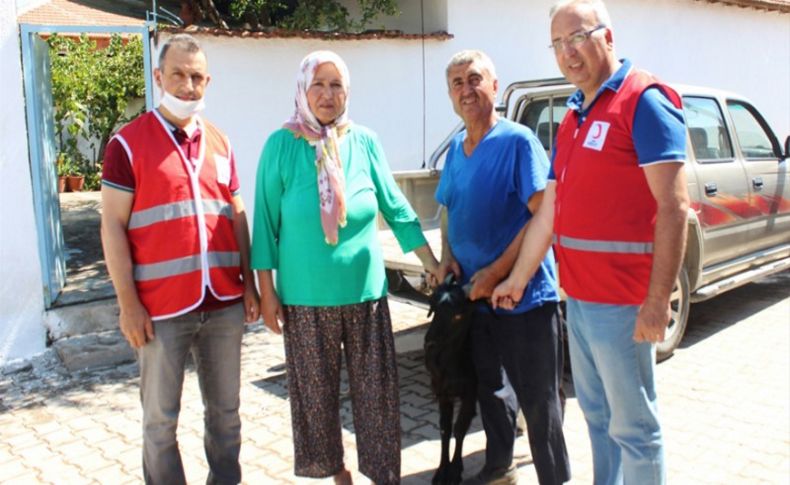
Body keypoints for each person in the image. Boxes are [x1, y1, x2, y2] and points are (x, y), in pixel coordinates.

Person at [492, 1, 690, 483]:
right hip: (578, 301)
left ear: (607, 36)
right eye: (557, 43)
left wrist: (657, 300)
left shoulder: (642, 100)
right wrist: (518, 279)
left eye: (577, 37)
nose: (567, 53)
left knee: (635, 430)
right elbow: (550, 213)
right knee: (598, 422)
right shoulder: (575, 114)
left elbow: (675, 207)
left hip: (623, 303)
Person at [251, 50, 439, 485]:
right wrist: (267, 293)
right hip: (303, 300)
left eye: (336, 85)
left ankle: (383, 475)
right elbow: (264, 223)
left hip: (366, 298)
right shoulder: (281, 145)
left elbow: (394, 205)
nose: (327, 94)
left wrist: (430, 261)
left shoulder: (364, 141)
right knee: (314, 401)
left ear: (347, 91)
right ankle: (337, 474)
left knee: (377, 400)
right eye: (318, 84)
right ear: (303, 89)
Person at [101, 34, 259, 485]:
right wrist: (127, 304)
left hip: (224, 302)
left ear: (208, 81)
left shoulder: (221, 142)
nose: (188, 86)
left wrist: (248, 283)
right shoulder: (127, 145)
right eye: (178, 75)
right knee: (159, 423)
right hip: (159, 308)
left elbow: (236, 213)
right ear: (158, 77)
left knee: (226, 417)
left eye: (197, 77)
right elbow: (112, 225)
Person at [435, 49, 570, 485]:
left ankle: (555, 478)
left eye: (475, 79)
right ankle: (499, 466)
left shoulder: (518, 142)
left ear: (495, 86)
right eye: (457, 83)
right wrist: (447, 257)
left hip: (525, 295)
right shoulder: (456, 148)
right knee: (491, 389)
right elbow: (447, 211)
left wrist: (495, 273)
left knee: (539, 400)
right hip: (477, 300)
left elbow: (540, 215)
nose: (466, 89)